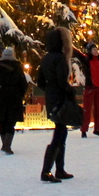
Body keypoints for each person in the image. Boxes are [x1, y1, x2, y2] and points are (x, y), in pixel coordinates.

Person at [36, 27, 75, 182]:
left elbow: (40, 81)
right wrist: (69, 91)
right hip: (60, 98)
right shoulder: (59, 58)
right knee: (59, 134)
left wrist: (49, 91)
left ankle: (59, 169)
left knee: (61, 131)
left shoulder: (45, 58)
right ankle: (47, 171)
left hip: (51, 98)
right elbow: (61, 81)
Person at [0, 46, 28, 154]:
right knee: (11, 122)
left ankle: (4, 145)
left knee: (2, 121)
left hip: (1, 97)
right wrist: (19, 94)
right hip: (14, 98)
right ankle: (8, 145)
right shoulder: (18, 67)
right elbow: (23, 84)